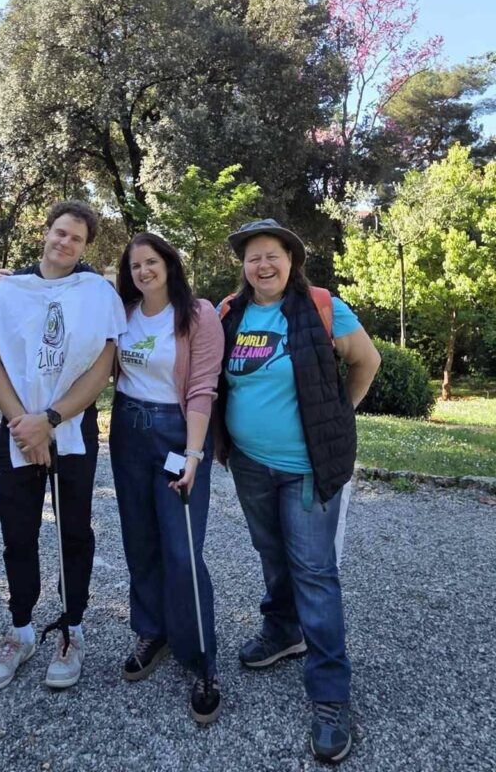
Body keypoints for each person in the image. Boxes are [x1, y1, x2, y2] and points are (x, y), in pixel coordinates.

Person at [215, 219, 380, 764]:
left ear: (291, 260)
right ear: (243, 266)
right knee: (272, 553)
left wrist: (336, 416)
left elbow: (367, 361)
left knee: (314, 572)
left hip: (307, 468)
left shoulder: (322, 306)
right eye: (253, 257)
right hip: (249, 464)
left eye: (273, 255)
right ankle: (283, 630)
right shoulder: (230, 313)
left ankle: (330, 695)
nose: (262, 265)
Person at [0, 201, 126, 692]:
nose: (65, 243)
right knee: (18, 534)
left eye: (76, 238)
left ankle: (71, 629)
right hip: (18, 429)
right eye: (60, 232)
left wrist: (51, 421)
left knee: (73, 533)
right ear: (45, 232)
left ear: (85, 246)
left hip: (72, 431)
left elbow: (102, 367)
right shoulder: (7, 289)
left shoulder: (97, 293)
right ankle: (20, 631)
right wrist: (26, 426)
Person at [111, 233, 224, 724]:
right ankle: (152, 631)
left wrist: (195, 454)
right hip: (126, 431)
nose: (143, 271)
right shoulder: (122, 313)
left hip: (177, 436)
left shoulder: (198, 315)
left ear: (170, 264)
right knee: (139, 540)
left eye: (151, 261)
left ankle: (201, 660)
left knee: (181, 549)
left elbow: (202, 388)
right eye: (135, 265)